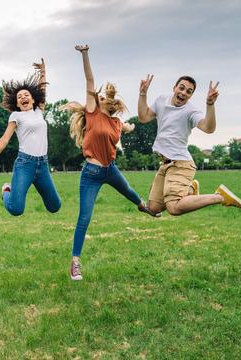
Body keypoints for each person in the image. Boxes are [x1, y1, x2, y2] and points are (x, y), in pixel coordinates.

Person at [64, 45, 158, 281]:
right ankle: (75, 262)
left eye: (105, 97)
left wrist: (130, 127)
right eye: (100, 96)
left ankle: (143, 206)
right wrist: (85, 54)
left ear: (110, 103)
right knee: (84, 217)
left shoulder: (116, 123)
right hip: (91, 173)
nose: (101, 96)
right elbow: (90, 79)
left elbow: (123, 127)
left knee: (128, 190)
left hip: (110, 169)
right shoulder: (92, 112)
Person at [138, 74, 241, 218]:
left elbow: (209, 128)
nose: (183, 93)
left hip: (181, 164)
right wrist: (143, 94)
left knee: (174, 208)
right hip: (165, 164)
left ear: (190, 96)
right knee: (153, 208)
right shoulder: (161, 100)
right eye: (181, 88)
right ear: (174, 88)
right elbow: (143, 117)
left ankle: (219, 197)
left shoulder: (190, 111)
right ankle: (190, 190)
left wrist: (210, 105)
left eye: (189, 91)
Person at [0, 59, 61, 216]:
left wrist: (43, 72)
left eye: (26, 95)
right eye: (20, 97)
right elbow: (5, 139)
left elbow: (42, 90)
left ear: (33, 99)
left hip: (43, 164)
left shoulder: (39, 111)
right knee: (16, 209)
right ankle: (6, 190)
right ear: (18, 104)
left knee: (55, 206)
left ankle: (18, 190)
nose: (23, 97)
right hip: (25, 164)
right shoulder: (16, 116)